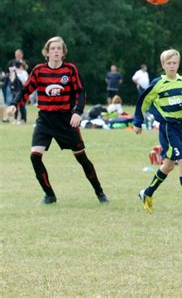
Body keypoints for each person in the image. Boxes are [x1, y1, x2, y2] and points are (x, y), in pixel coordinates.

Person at [6, 36, 109, 204]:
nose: (55, 51)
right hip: (45, 121)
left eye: (59, 48)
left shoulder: (70, 70)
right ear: (46, 52)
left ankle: (100, 192)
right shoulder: (39, 70)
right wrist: (13, 105)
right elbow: (26, 90)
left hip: (66, 121)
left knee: (81, 158)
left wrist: (78, 112)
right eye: (52, 48)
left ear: (63, 52)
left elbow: (80, 92)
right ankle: (49, 195)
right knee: (35, 156)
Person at [134, 49, 182, 216]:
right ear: (163, 65)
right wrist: (137, 122)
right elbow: (143, 102)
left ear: (178, 64)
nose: (172, 66)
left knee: (167, 166)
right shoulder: (158, 83)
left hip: (181, 127)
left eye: (174, 63)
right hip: (168, 128)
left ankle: (147, 193)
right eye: (169, 63)